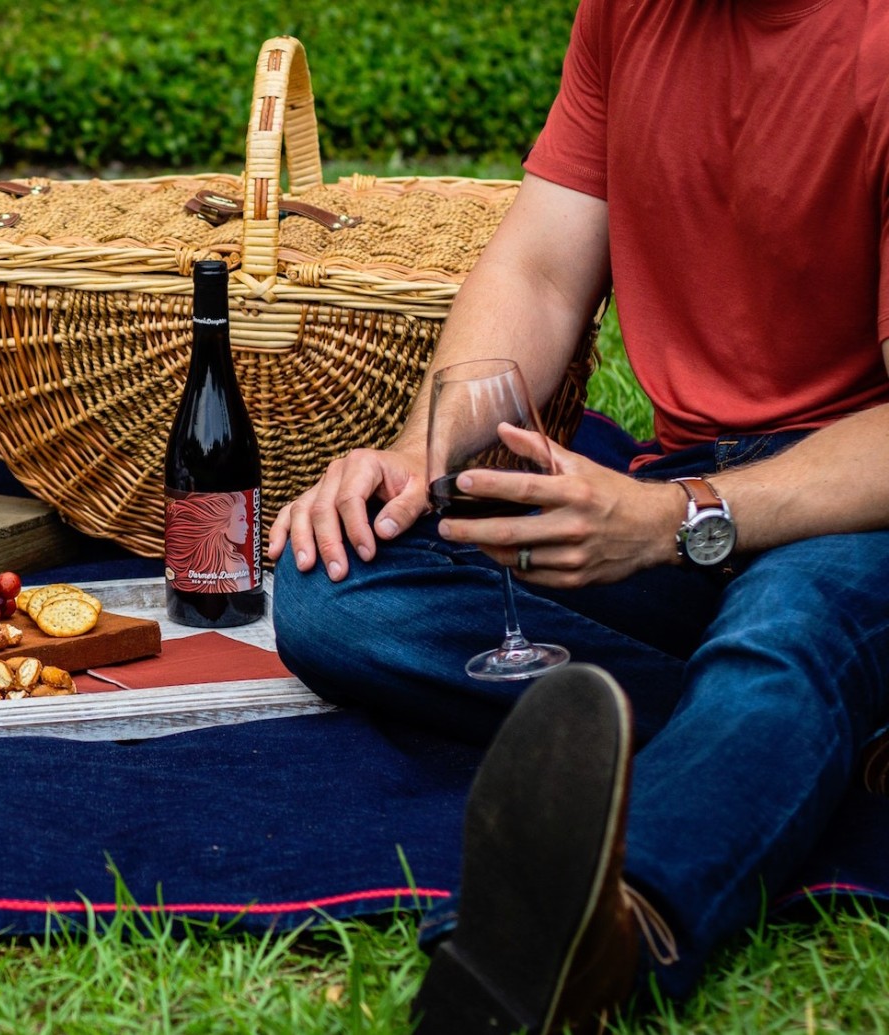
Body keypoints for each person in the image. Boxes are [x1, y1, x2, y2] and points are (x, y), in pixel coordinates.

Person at [267, 0, 889, 1029]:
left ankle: (603, 931)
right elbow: (539, 271)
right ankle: (802, 737)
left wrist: (672, 516)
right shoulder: (625, 12)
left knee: (789, 627)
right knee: (342, 586)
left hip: (847, 504)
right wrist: (420, 459)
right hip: (678, 487)